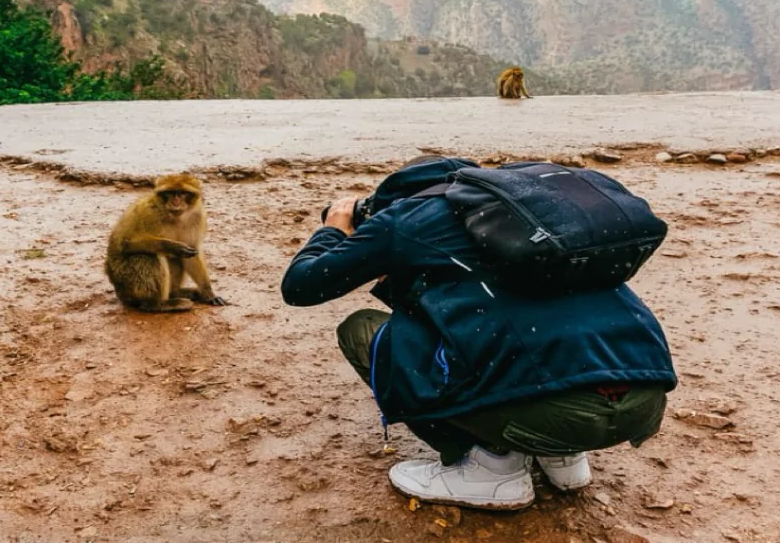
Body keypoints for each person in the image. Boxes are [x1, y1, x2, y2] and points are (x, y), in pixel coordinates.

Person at [280, 156, 678, 510]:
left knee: (364, 330)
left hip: (555, 414)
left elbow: (300, 286)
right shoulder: (530, 216)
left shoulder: (404, 218)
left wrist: (336, 226)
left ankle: (492, 467)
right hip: (642, 401)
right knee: (545, 324)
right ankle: (563, 459)